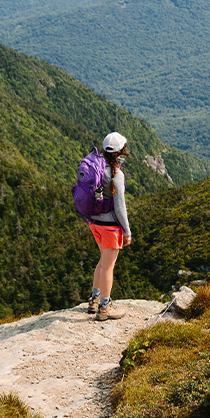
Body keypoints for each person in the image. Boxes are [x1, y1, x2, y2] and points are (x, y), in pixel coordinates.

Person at [86, 131, 132, 321]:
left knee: (103, 262)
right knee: (108, 267)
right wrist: (127, 232)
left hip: (94, 223)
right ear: (121, 152)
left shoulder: (97, 168)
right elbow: (120, 208)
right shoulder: (116, 175)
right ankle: (104, 307)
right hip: (110, 226)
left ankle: (94, 299)